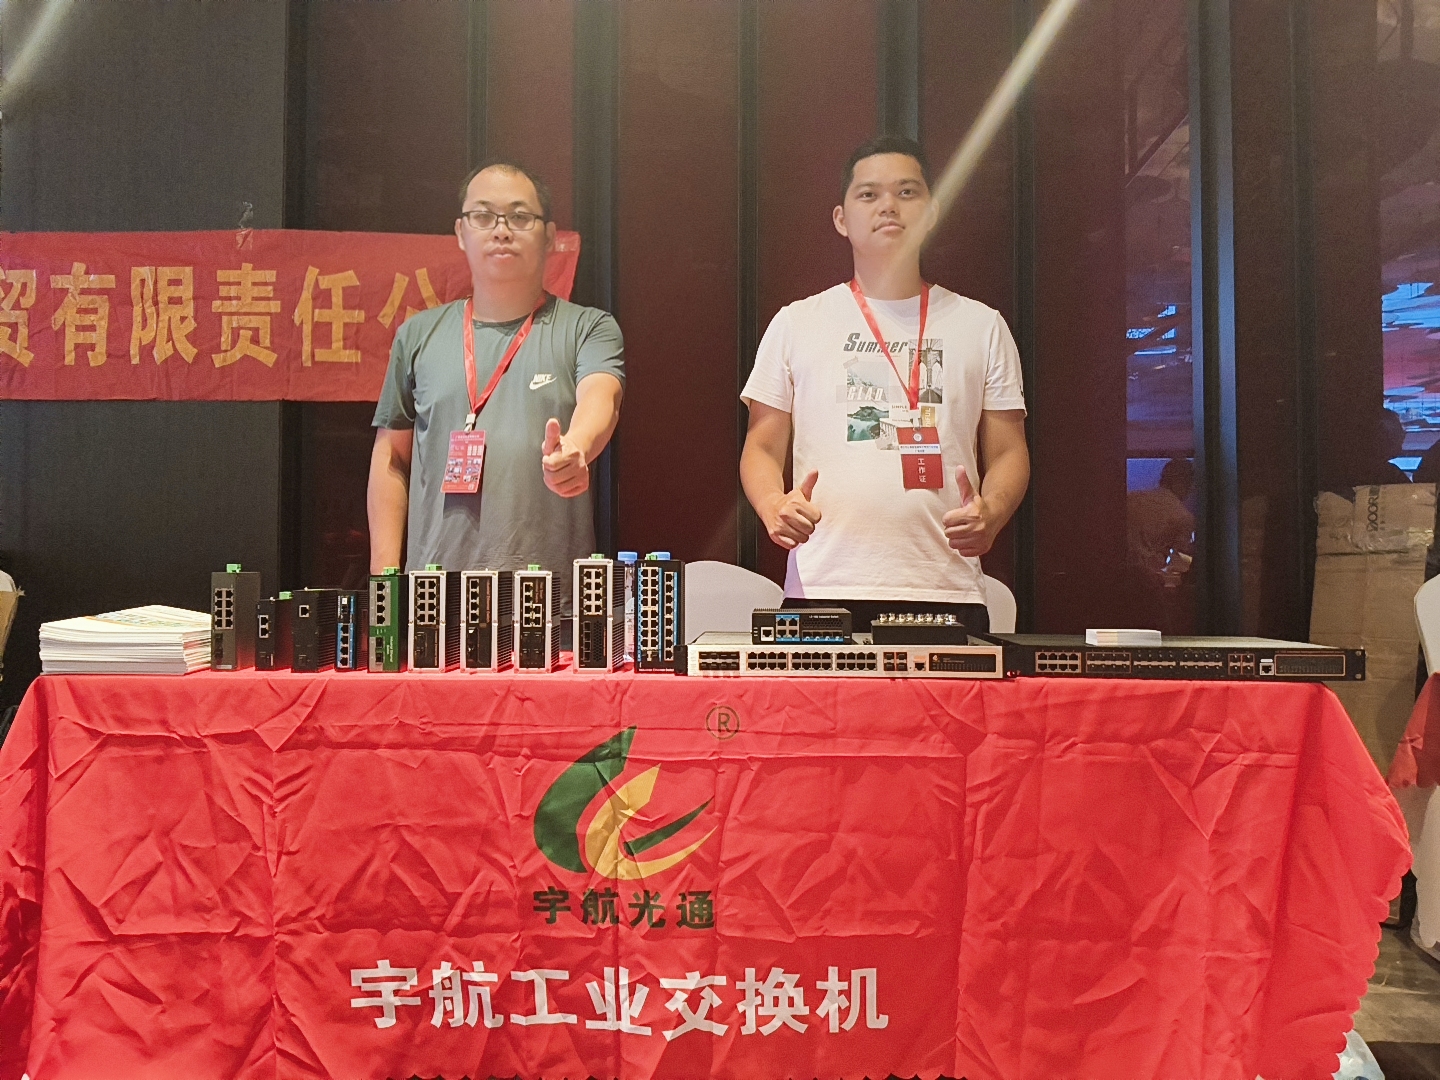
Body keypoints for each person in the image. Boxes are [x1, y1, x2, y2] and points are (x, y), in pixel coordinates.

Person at [739, 134, 1030, 634]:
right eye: (869, 194)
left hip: (945, 587)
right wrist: (773, 506)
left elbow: (1009, 451)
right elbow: (761, 446)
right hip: (823, 587)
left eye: (907, 192)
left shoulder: (982, 325)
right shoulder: (796, 323)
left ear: (932, 212)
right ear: (841, 219)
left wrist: (994, 512)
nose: (888, 205)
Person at [368, 162, 624, 617]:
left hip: (551, 606)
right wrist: (384, 586)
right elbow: (392, 458)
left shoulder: (588, 328)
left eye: (520, 216)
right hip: (434, 604)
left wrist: (576, 448)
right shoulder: (418, 335)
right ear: (461, 232)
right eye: (483, 216)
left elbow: (602, 399)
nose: (501, 230)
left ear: (549, 236)